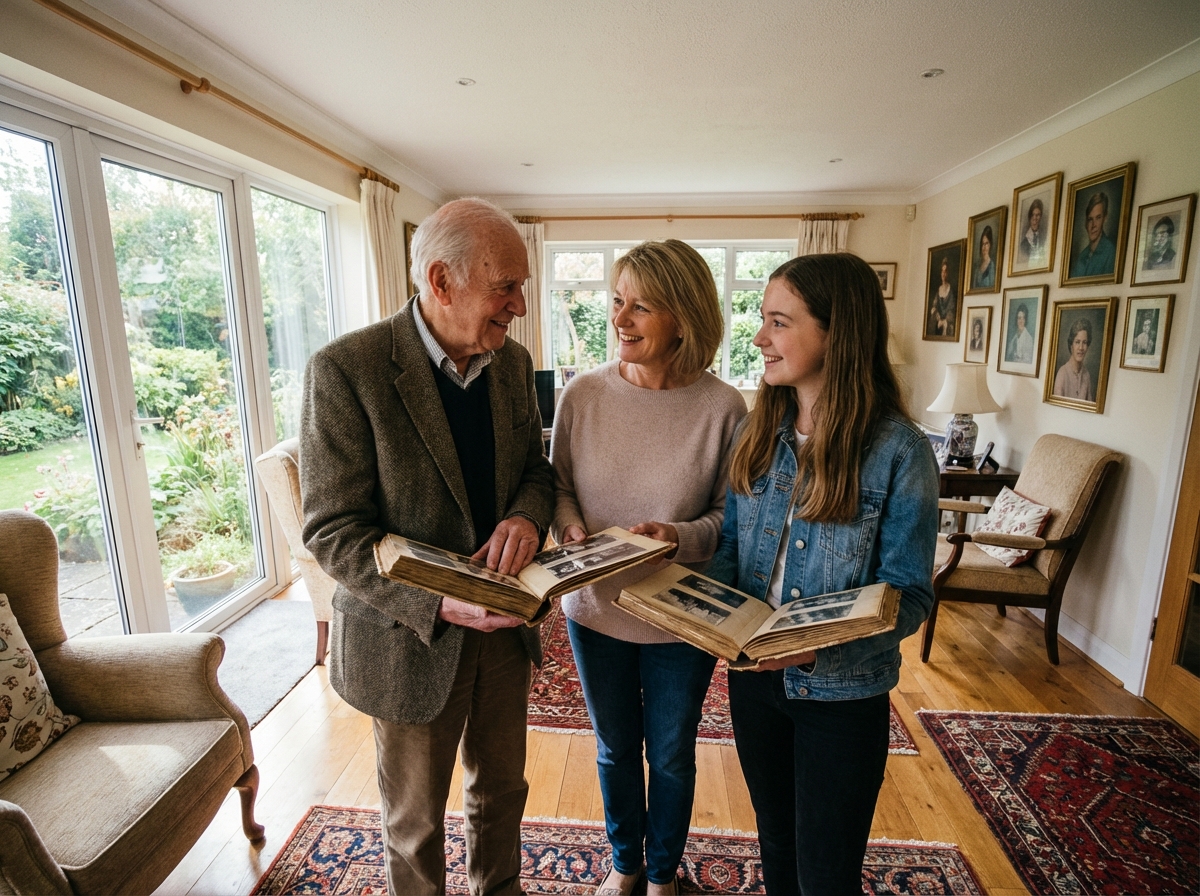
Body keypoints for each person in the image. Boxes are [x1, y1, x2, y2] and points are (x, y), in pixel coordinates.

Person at [300, 197, 554, 895]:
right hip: (407, 637)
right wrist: (438, 601)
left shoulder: (512, 362)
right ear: (442, 282)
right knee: (414, 824)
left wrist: (526, 518)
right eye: (506, 286)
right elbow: (332, 530)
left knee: (502, 794)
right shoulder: (345, 370)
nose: (519, 305)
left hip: (504, 630)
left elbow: (536, 471)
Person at [707, 253, 939, 895]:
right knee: (777, 848)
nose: (760, 338)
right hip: (754, 685)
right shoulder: (756, 432)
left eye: (779, 322)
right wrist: (708, 610)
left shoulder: (900, 451)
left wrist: (816, 646)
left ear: (838, 333)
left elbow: (910, 594)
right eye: (763, 320)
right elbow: (732, 548)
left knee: (827, 876)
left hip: (842, 697)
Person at [551, 240, 747, 896]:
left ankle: (661, 875)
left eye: (640, 306)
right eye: (617, 302)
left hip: (681, 614)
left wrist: (679, 536)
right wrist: (568, 527)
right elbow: (558, 487)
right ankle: (625, 865)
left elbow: (730, 518)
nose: (619, 319)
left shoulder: (724, 409)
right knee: (613, 749)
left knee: (668, 755)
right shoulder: (582, 395)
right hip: (593, 609)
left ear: (684, 318)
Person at [1070, 192, 1116, 278]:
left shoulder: (1110, 252)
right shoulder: (1082, 256)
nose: (1093, 225)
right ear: (1086, 223)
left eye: (1098, 218)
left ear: (1105, 218)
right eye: (1090, 219)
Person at [1053, 317, 1095, 401]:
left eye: (1084, 342)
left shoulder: (1086, 375)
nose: (1081, 348)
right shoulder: (1062, 373)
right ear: (1071, 345)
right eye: (1077, 342)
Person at [927, 257, 956, 336]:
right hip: (938, 320)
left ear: (948, 273)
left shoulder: (951, 290)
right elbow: (934, 305)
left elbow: (951, 309)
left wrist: (945, 321)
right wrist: (938, 318)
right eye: (942, 271)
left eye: (945, 271)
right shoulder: (939, 289)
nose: (943, 274)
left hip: (947, 321)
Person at [1017, 198, 1047, 267]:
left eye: (1038, 215)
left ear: (1041, 216)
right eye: (1033, 215)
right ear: (1030, 216)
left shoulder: (1044, 238)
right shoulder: (1024, 243)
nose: (1035, 218)